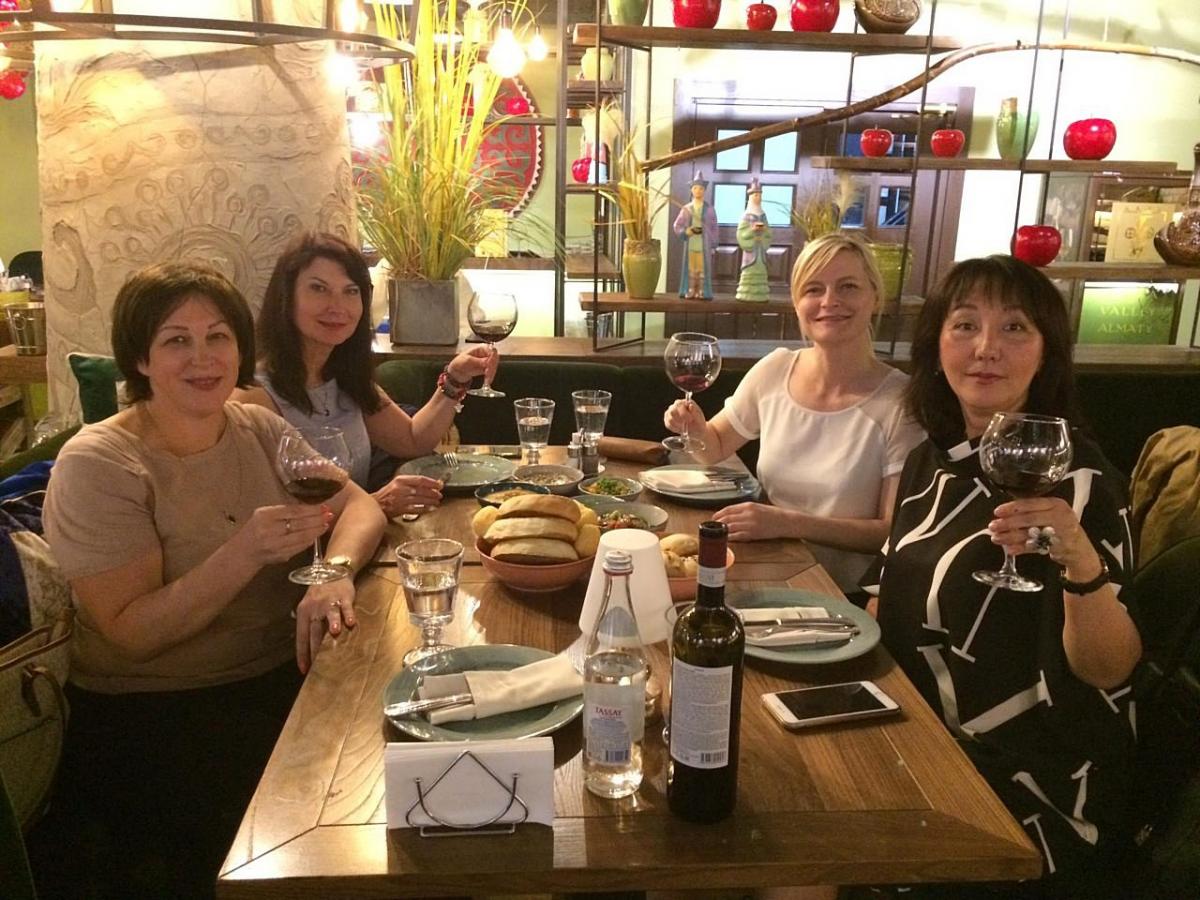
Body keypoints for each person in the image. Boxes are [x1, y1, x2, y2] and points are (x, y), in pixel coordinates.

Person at [35, 262, 386, 899]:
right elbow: (130, 634)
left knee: (403, 761)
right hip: (160, 716)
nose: (203, 358)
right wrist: (243, 552)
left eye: (218, 336)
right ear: (140, 358)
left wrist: (333, 574)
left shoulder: (257, 427)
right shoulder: (100, 462)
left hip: (285, 679)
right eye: (177, 340)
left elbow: (360, 506)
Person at [863, 255, 1142, 899]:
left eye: (1015, 328)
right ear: (937, 348)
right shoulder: (931, 462)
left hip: (1028, 783)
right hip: (917, 737)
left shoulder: (1083, 483)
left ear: (1046, 355)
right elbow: (888, 597)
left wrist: (1080, 562)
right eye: (965, 325)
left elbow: (1110, 671)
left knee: (816, 835)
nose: (986, 347)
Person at [663, 232, 924, 594]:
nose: (829, 301)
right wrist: (694, 428)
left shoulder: (902, 402)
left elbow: (892, 531)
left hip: (842, 594)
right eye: (814, 289)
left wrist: (785, 522)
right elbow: (715, 446)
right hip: (763, 569)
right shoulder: (776, 369)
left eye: (848, 286)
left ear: (875, 296)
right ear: (797, 304)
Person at [237, 232, 498, 519]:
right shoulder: (254, 397)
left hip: (362, 539)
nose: (337, 306)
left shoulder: (343, 377)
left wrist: (456, 377)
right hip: (309, 546)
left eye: (351, 291)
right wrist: (378, 503)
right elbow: (265, 513)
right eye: (319, 288)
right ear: (286, 298)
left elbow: (411, 439)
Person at [673, 171, 718, 299]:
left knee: (702, 268)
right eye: (695, 188)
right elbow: (677, 225)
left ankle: (702, 290)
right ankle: (691, 289)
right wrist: (686, 231)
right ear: (691, 190)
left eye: (701, 188)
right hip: (692, 242)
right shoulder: (687, 208)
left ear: (704, 190)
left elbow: (714, 227)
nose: (698, 191)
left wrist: (713, 243)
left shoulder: (710, 209)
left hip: (704, 244)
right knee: (692, 268)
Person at [735, 178, 772, 302]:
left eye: (759, 195)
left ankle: (761, 293)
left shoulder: (763, 215)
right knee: (749, 269)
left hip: (760, 249)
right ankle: (746, 293)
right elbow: (741, 233)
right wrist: (752, 230)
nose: (758, 198)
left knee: (760, 268)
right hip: (750, 251)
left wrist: (764, 230)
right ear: (750, 197)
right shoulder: (746, 215)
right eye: (755, 195)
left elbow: (769, 232)